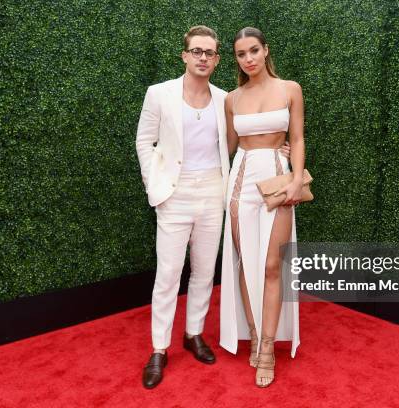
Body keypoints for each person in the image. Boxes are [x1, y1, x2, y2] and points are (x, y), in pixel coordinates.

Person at [136, 25, 292, 389]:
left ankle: (194, 334)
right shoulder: (159, 94)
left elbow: (241, 142)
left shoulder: (226, 99)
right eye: (197, 51)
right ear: (185, 55)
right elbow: (145, 141)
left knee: (205, 272)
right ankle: (159, 350)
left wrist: (278, 151)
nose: (203, 57)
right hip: (174, 196)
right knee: (168, 276)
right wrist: (154, 186)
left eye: (209, 53)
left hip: (213, 193)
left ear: (218, 59)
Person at [219, 27, 305, 388]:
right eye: (241, 54)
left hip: (277, 178)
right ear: (237, 59)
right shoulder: (232, 99)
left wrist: (297, 179)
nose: (248, 58)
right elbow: (229, 146)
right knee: (245, 260)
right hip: (241, 180)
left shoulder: (290, 89)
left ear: (266, 50)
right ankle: (253, 332)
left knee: (272, 264)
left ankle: (268, 347)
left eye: (253, 50)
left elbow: (298, 137)